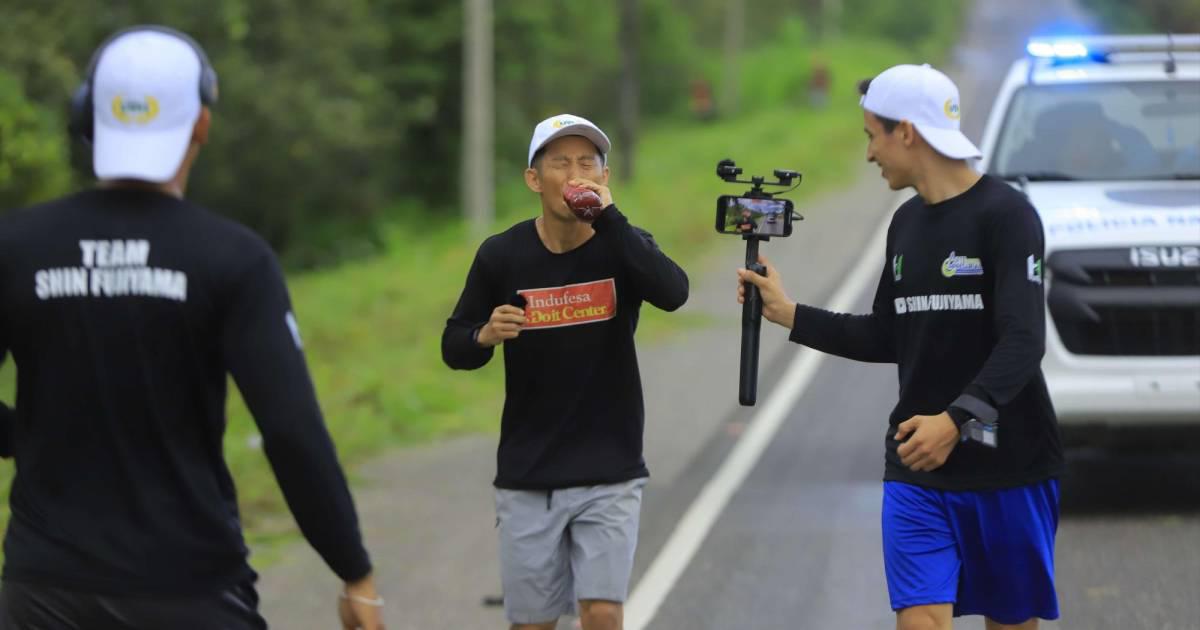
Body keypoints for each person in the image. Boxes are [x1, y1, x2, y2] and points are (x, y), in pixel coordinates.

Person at [0, 26, 384, 630]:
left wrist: (29, 435)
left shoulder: (16, 246)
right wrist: (352, 569)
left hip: (42, 593)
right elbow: (290, 432)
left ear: (87, 117)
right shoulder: (233, 258)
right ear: (201, 125)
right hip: (189, 591)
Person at [737, 64, 1064, 630]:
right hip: (916, 466)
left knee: (1011, 623)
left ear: (906, 132)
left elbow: (1023, 339)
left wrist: (955, 421)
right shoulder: (905, 223)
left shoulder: (1008, 216)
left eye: (872, 136)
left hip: (1010, 463)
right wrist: (788, 313)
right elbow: (887, 333)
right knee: (919, 620)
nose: (869, 153)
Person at [442, 113, 689, 630]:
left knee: (602, 612)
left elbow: (674, 293)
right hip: (529, 472)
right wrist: (484, 335)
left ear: (605, 177)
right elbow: (454, 345)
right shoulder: (502, 255)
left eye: (587, 163)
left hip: (611, 467)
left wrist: (612, 220)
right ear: (535, 179)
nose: (576, 175)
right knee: (533, 623)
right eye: (561, 164)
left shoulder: (623, 245)